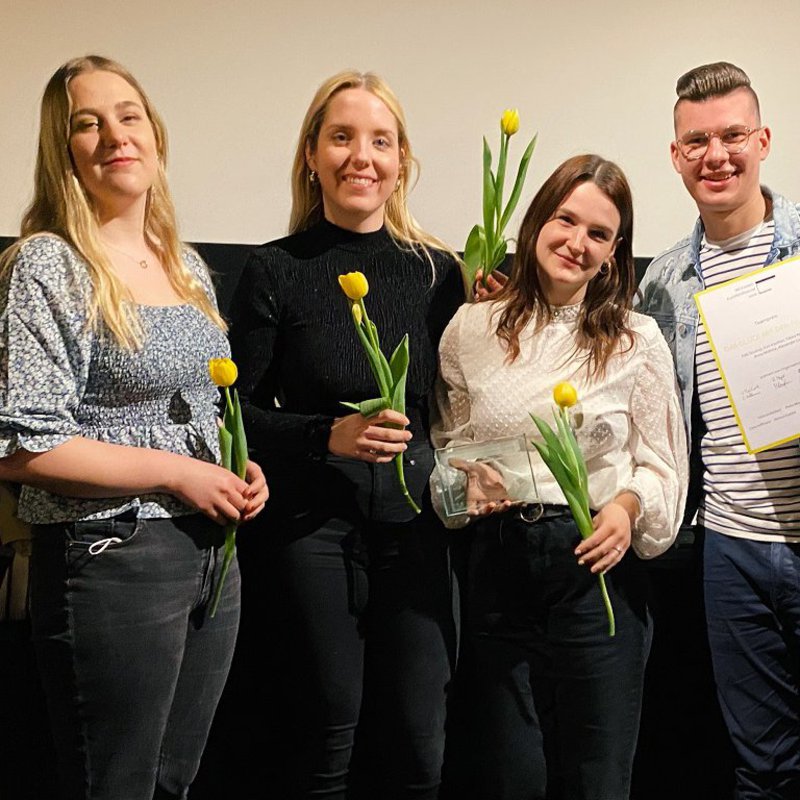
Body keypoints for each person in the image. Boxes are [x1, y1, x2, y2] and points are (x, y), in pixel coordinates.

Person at [0, 55, 268, 800]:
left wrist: (233, 465)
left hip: (213, 553)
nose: (114, 134)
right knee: (113, 785)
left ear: (155, 134)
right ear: (66, 152)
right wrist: (178, 472)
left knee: (172, 784)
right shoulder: (50, 264)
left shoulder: (183, 264)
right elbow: (25, 444)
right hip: (115, 554)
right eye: (87, 123)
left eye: (128, 115)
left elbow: (203, 410)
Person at [227, 71, 465, 799]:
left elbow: (458, 407)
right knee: (327, 731)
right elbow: (235, 414)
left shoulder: (439, 272)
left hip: (416, 531)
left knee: (419, 742)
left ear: (401, 163)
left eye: (380, 141)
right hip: (310, 530)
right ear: (311, 154)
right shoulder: (275, 268)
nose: (361, 156)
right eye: (341, 137)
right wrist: (327, 436)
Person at [432, 154, 688, 800]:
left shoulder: (638, 340)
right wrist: (466, 488)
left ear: (614, 253)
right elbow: (448, 446)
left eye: (598, 234)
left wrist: (627, 510)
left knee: (596, 781)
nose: (577, 242)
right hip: (497, 573)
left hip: (594, 575)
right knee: (506, 777)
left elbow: (663, 466)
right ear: (537, 219)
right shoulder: (472, 328)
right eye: (565, 219)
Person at [637, 61, 800, 799]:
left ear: (761, 140)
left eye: (732, 135)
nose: (716, 155)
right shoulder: (662, 282)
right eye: (696, 141)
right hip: (730, 548)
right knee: (761, 768)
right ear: (676, 156)